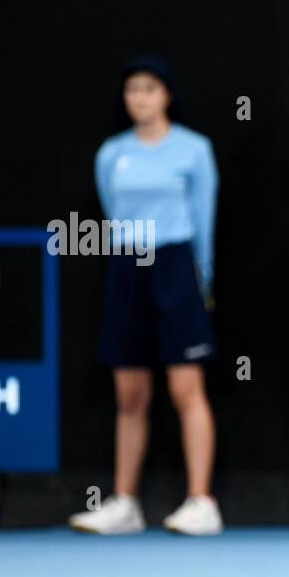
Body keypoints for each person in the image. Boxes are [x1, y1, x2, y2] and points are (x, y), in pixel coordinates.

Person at [69, 55, 223, 536]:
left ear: (167, 96)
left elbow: (204, 218)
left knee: (185, 390)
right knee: (130, 394)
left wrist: (204, 282)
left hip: (177, 267)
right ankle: (125, 503)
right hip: (125, 268)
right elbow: (112, 212)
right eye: (132, 89)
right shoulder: (111, 153)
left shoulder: (194, 150)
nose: (139, 97)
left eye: (149, 88)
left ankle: (201, 502)